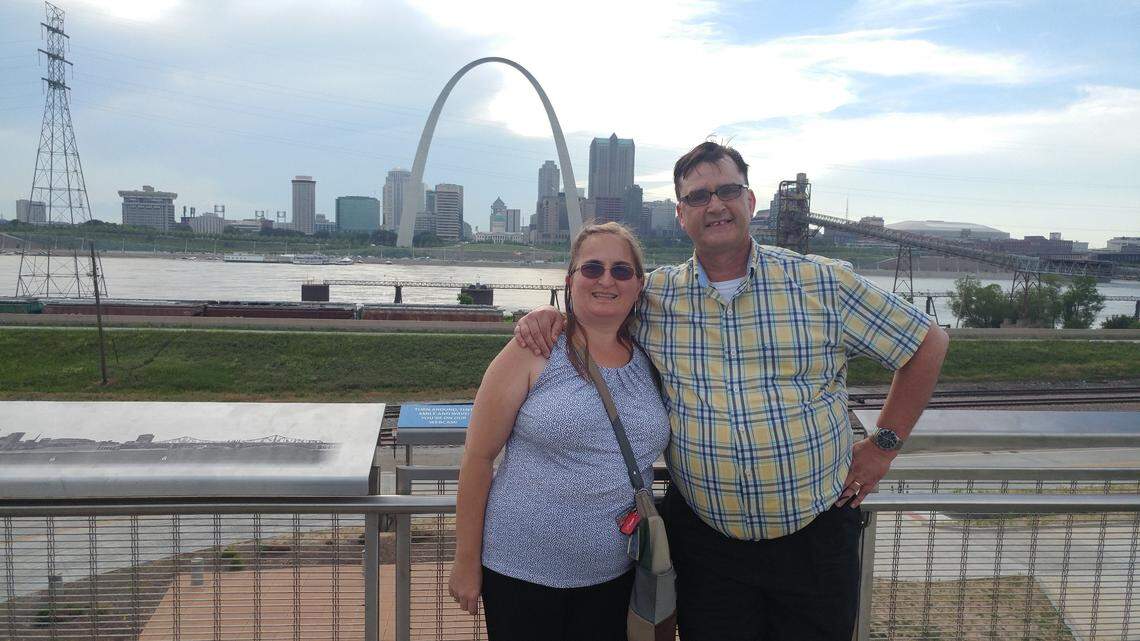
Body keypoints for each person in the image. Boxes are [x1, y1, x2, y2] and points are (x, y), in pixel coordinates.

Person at [513, 141, 950, 640]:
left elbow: (927, 343)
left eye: (727, 190)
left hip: (815, 539)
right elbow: (599, 306)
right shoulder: (656, 295)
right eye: (698, 197)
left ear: (751, 202)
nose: (714, 204)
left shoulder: (821, 282)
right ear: (681, 215)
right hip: (707, 545)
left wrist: (883, 447)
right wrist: (547, 316)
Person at [448, 222, 671, 641]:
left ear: (638, 285)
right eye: (592, 269)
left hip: (615, 575)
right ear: (570, 280)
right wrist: (465, 561)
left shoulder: (651, 354)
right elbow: (478, 457)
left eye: (621, 271)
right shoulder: (534, 349)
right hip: (520, 571)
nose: (606, 279)